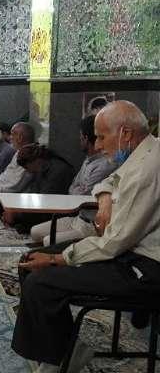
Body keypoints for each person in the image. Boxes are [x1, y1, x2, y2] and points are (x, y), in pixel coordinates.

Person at [12, 100, 160, 373]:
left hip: (144, 267)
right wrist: (104, 200)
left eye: (102, 137)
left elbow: (112, 243)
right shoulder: (142, 152)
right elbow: (108, 180)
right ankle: (65, 348)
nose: (99, 145)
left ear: (126, 133)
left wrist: (57, 259)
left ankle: (60, 359)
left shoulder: (147, 170)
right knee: (29, 260)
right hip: (125, 251)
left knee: (40, 281)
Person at [30, 115, 117, 246]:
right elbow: (72, 188)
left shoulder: (105, 165)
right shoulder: (88, 160)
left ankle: (54, 254)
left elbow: (84, 195)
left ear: (86, 138)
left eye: (80, 137)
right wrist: (78, 188)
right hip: (77, 218)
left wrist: (78, 189)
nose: (79, 140)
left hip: (91, 224)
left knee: (49, 241)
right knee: (35, 232)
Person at [2, 144, 74, 233]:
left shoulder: (58, 171)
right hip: (45, 205)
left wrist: (17, 214)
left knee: (18, 217)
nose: (27, 170)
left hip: (55, 210)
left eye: (26, 167)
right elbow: (34, 193)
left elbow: (46, 203)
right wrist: (15, 208)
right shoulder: (42, 167)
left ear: (35, 161)